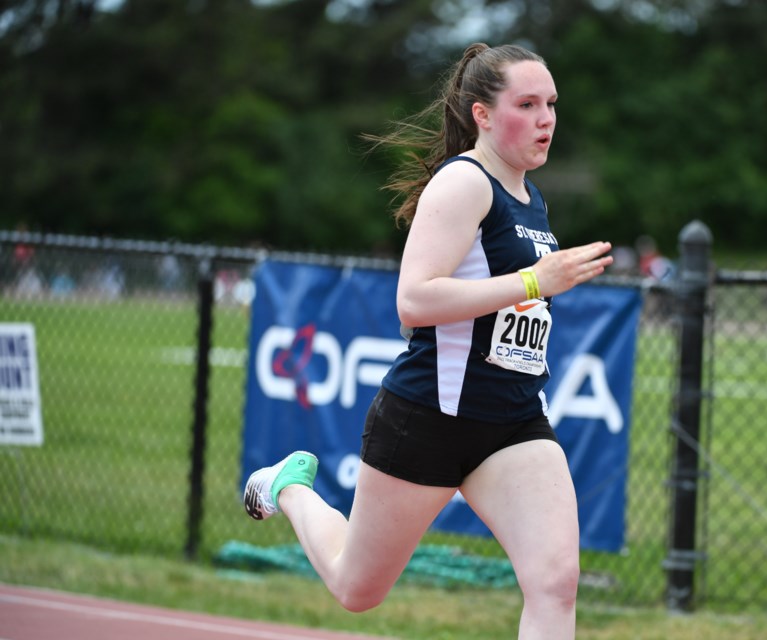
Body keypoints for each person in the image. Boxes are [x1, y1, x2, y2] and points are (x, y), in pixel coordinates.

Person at [243, 42, 613, 640]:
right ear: (482, 115)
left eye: (551, 103)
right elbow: (412, 302)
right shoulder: (464, 181)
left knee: (554, 581)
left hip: (513, 421)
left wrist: (529, 293)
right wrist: (532, 281)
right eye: (527, 103)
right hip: (431, 418)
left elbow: (499, 305)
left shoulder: (531, 197)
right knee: (356, 589)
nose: (546, 119)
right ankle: (288, 487)